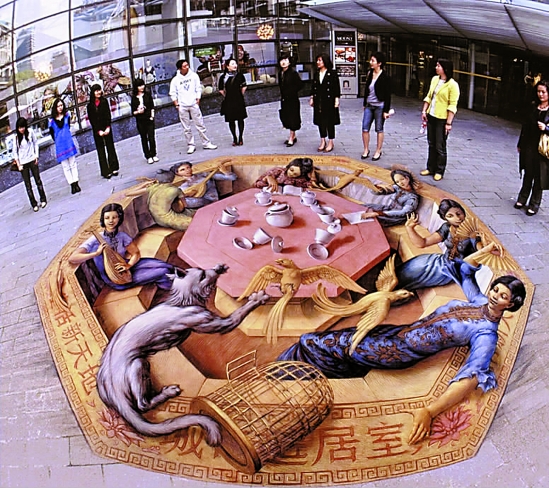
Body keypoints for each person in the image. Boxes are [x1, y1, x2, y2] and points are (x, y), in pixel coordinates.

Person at [278, 260, 526, 445]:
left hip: (397, 351)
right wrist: (481, 255)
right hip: (396, 332)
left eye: (503, 296)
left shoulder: (486, 334)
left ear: (511, 304)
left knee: (311, 341)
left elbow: (472, 375)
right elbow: (464, 271)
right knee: (330, 340)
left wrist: (429, 411)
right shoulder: (479, 301)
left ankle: (285, 376)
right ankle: (290, 370)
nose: (495, 296)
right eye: (495, 290)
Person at [68, 203, 174, 290]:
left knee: (164, 265)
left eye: (114, 217)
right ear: (103, 220)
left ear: (119, 218)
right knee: (162, 271)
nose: (111, 221)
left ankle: (170, 283)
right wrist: (96, 253)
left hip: (125, 264)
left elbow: (135, 253)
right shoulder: (95, 238)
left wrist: (129, 265)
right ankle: (171, 290)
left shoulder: (122, 236)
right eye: (107, 218)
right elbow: (73, 258)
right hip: (116, 277)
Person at [396, 199, 483, 290]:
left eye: (459, 213)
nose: (457, 218)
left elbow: (482, 250)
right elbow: (423, 243)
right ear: (445, 218)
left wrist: (479, 240)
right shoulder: (447, 227)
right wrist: (410, 228)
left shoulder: (471, 231)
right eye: (450, 216)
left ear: (463, 212)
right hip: (440, 260)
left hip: (451, 270)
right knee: (411, 267)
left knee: (410, 279)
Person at [419, 59, 460, 181]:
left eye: (438, 66)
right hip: (431, 115)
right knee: (431, 143)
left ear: (445, 68)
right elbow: (429, 96)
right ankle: (430, 167)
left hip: (442, 119)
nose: (436, 68)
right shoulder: (435, 79)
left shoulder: (453, 85)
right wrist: (424, 111)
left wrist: (448, 123)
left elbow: (452, 105)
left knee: (440, 145)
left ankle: (439, 170)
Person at [169, 59, 218, 155]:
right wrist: (177, 104)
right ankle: (191, 145)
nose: (187, 67)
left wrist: (198, 99)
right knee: (186, 128)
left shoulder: (194, 76)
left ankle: (206, 143)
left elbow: (198, 88)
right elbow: (172, 93)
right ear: (179, 68)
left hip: (193, 104)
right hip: (182, 106)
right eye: (184, 66)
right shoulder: (175, 80)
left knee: (200, 124)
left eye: (187, 65)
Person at [515, 80, 549, 216]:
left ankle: (534, 203)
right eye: (538, 91)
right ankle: (522, 198)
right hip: (529, 145)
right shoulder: (533, 106)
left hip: (543, 148)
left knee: (539, 176)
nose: (541, 94)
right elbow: (525, 127)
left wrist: (546, 128)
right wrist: (520, 144)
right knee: (528, 173)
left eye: (543, 92)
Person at [125, 170, 197, 232]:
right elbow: (184, 205)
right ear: (172, 179)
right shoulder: (176, 190)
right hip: (169, 219)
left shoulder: (152, 188)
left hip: (157, 219)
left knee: (194, 213)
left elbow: (128, 193)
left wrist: (145, 184)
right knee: (195, 224)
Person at [361, 52, 391, 161]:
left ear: (379, 63)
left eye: (373, 60)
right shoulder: (370, 73)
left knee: (379, 129)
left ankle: (378, 150)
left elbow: (388, 95)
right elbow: (366, 90)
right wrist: (364, 103)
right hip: (369, 105)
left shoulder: (385, 77)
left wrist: (386, 110)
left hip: (380, 107)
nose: (371, 62)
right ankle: (366, 149)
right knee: (365, 128)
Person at [171, 161, 237, 209]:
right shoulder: (182, 185)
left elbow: (233, 178)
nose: (187, 170)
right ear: (178, 173)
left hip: (213, 201)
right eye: (182, 170)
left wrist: (224, 171)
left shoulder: (204, 175)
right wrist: (187, 194)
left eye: (188, 167)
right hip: (199, 205)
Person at [13, 117, 47, 212]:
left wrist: (36, 156)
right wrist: (19, 164)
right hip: (23, 163)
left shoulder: (30, 132)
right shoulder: (16, 138)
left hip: (32, 159)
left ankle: (43, 199)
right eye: (20, 128)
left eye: (23, 127)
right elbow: (15, 152)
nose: (21, 129)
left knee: (38, 180)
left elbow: (36, 143)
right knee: (28, 185)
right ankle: (34, 204)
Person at [86, 84, 120, 179]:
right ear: (93, 93)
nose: (98, 92)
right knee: (101, 150)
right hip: (97, 130)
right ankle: (105, 171)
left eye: (99, 90)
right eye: (96, 91)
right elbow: (92, 120)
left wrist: (108, 127)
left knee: (110, 147)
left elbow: (108, 115)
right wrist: (98, 131)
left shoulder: (104, 101)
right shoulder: (90, 106)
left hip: (106, 127)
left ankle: (114, 167)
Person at [310, 54, 341, 153]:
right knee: (320, 121)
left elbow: (336, 87)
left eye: (320, 60)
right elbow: (313, 87)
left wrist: (336, 99)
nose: (318, 62)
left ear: (325, 61)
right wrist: (312, 98)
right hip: (319, 100)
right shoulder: (317, 73)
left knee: (330, 121)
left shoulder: (332, 73)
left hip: (329, 100)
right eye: (317, 60)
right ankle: (322, 140)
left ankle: (331, 142)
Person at [49, 98, 80, 194]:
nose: (60, 107)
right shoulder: (51, 121)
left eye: (61, 105)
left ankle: (76, 182)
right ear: (55, 107)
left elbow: (68, 127)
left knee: (73, 163)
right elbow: (52, 134)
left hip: (68, 142)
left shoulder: (67, 116)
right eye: (58, 106)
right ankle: (72, 184)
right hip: (60, 146)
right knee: (65, 166)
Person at [218, 58, 247, 146]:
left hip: (239, 100)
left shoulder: (240, 75)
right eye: (232, 64)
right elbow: (221, 89)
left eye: (235, 64)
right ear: (227, 66)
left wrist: (239, 94)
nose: (235, 65)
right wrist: (227, 96)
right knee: (231, 120)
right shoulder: (223, 77)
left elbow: (244, 86)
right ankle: (234, 137)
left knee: (240, 119)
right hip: (229, 101)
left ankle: (240, 137)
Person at [131, 78, 158, 165]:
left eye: (142, 85)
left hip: (149, 119)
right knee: (144, 138)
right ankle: (148, 156)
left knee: (151, 137)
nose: (142, 87)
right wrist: (138, 112)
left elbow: (152, 106)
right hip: (140, 121)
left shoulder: (147, 95)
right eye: (139, 86)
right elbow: (133, 112)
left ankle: (153, 154)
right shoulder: (134, 98)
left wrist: (152, 116)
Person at [278, 54, 303, 147]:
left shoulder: (293, 73)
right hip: (284, 99)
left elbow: (300, 85)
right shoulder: (280, 73)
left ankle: (291, 138)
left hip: (292, 99)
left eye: (285, 60)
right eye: (281, 60)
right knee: (286, 117)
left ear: (289, 62)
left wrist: (291, 91)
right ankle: (293, 135)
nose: (283, 62)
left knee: (293, 118)